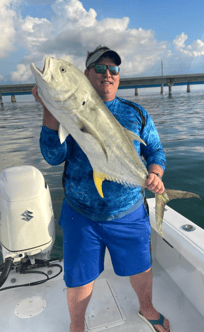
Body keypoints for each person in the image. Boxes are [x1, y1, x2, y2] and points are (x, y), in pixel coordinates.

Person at [32, 45, 170, 332]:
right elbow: (52, 156)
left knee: (141, 268)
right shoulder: (67, 109)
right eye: (99, 68)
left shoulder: (136, 113)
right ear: (86, 75)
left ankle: (147, 308)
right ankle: (77, 325)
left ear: (118, 76)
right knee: (79, 277)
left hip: (129, 211)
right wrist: (49, 109)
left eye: (114, 69)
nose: (108, 74)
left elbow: (155, 150)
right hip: (81, 214)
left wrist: (155, 173)